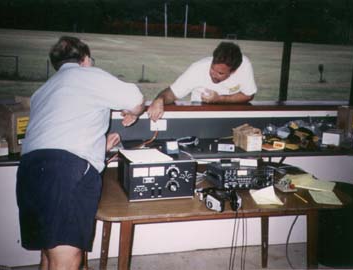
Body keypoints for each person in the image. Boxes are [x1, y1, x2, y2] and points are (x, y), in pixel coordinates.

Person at [16, 36, 144, 270]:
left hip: (30, 170)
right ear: (84, 59)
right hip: (64, 171)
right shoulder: (89, 74)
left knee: (49, 252)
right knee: (67, 258)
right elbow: (137, 100)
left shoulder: (44, 90)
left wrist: (98, 145)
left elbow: (56, 132)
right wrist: (134, 112)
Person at [147, 41, 257, 121]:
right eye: (212, 69)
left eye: (220, 73)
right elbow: (172, 93)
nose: (213, 75)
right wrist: (159, 99)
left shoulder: (244, 66)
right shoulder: (197, 69)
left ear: (233, 71)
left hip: (231, 117)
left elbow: (249, 95)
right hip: (200, 117)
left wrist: (219, 99)